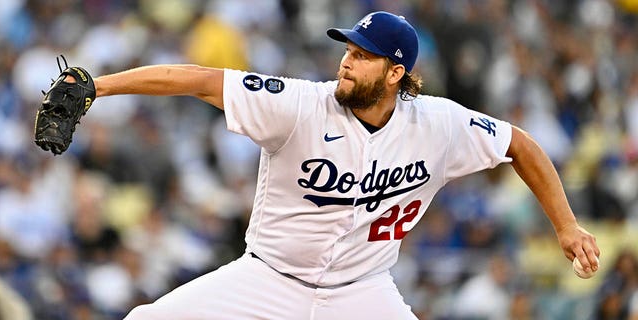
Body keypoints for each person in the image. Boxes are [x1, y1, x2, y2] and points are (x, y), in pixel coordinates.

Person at [58, 11, 600, 320]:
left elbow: (520, 144)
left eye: (363, 54)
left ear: (395, 74)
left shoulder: (438, 125)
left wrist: (566, 225)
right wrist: (98, 88)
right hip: (267, 279)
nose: (346, 59)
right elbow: (198, 79)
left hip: (362, 290)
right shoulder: (298, 103)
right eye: (348, 48)